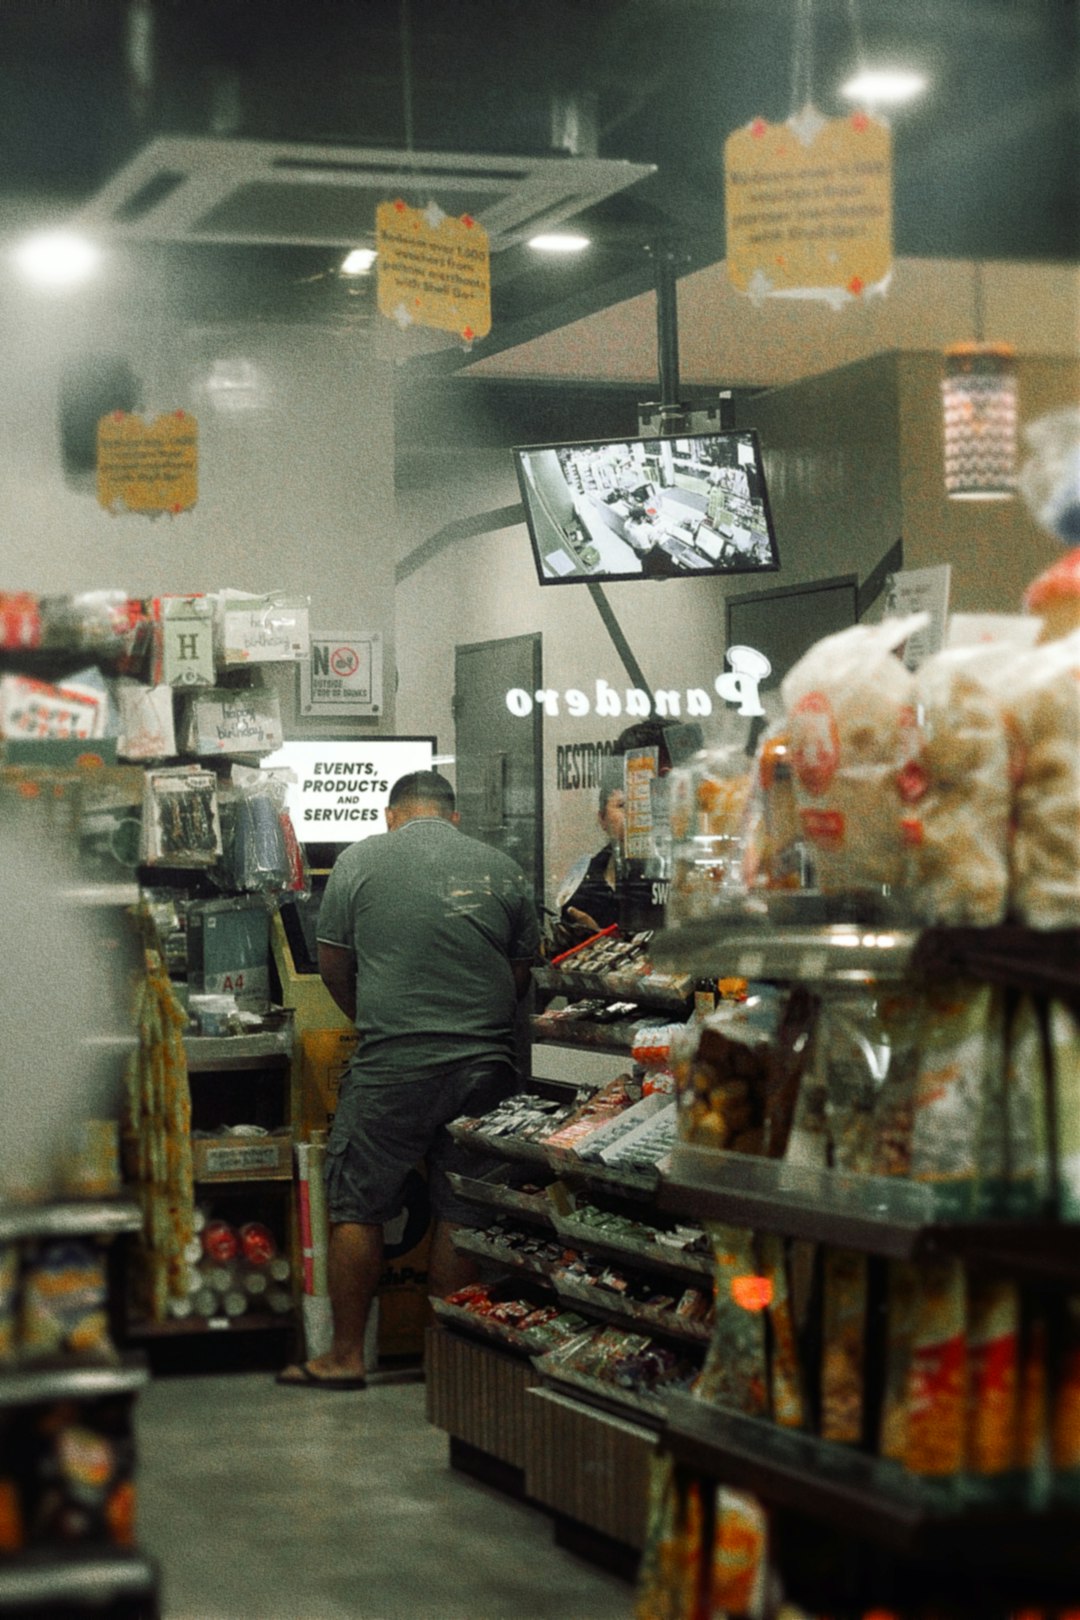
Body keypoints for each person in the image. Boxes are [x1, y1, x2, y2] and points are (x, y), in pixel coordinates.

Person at [277, 769, 539, 1389]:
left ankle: (345, 1356)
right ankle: (443, 1359)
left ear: (391, 816)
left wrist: (377, 1020)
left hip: (391, 1064)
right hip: (485, 1065)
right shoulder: (503, 870)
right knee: (463, 1209)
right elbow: (520, 972)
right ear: (453, 818)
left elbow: (334, 967)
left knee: (357, 1207)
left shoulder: (357, 862)